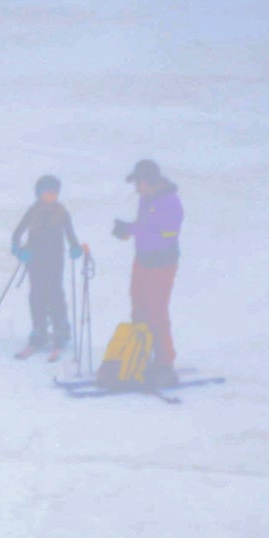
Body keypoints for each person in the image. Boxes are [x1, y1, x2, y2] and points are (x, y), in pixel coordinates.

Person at [112, 159, 183, 387]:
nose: (136, 188)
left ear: (150, 181)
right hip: (142, 260)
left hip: (161, 264)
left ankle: (164, 363)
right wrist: (128, 230)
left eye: (139, 182)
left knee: (156, 312)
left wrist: (133, 229)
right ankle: (140, 355)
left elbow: (165, 234)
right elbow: (145, 225)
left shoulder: (171, 203)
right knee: (139, 308)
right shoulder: (146, 198)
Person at [11, 174, 83, 360]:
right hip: (35, 260)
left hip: (55, 260)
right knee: (36, 295)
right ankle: (39, 331)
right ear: (39, 194)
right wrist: (19, 251)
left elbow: (70, 234)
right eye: (48, 193)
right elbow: (16, 235)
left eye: (54, 193)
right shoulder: (33, 211)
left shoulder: (62, 212)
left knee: (55, 295)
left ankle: (61, 333)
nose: (52, 196)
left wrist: (75, 247)